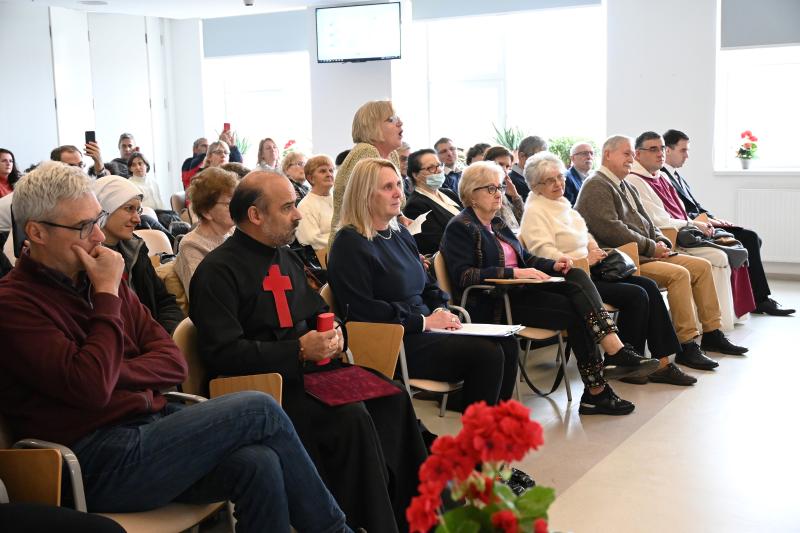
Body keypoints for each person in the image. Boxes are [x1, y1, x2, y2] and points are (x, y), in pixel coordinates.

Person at [0, 161, 350, 532]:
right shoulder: (16, 304)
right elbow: (90, 384)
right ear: (36, 232)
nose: (98, 237)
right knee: (259, 408)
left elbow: (171, 362)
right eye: (83, 226)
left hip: (151, 428)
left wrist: (115, 373)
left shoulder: (101, 279)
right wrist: (105, 297)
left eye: (96, 220)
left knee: (259, 463)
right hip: (90, 460)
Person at [189, 170, 427, 533]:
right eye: (287, 207)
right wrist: (297, 351)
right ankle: (367, 523)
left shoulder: (284, 257)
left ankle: (414, 516)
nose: (298, 214)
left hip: (311, 371)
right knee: (350, 419)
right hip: (265, 388)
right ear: (256, 216)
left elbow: (317, 310)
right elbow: (223, 353)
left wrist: (335, 333)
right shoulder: (216, 271)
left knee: (390, 395)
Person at [440, 161, 657, 415]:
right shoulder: (461, 227)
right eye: (490, 188)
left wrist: (555, 264)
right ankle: (600, 383)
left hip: (522, 294)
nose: (499, 192)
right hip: (497, 303)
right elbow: (464, 276)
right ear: (471, 193)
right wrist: (514, 273)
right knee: (580, 310)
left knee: (574, 273)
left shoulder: (497, 224)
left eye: (499, 186)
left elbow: (527, 259)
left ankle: (609, 362)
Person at [328, 158, 520, 411]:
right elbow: (362, 311)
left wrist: (441, 308)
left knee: (508, 343)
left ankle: (494, 422)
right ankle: (480, 436)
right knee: (487, 353)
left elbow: (428, 285)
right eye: (388, 187)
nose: (399, 192)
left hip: (426, 328)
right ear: (364, 194)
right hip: (394, 339)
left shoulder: (399, 233)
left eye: (398, 183)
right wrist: (424, 322)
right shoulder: (350, 243)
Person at [519, 152, 693, 386]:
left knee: (647, 286)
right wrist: (584, 258)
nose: (559, 183)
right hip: (569, 279)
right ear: (534, 185)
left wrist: (593, 248)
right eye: (550, 181)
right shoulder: (535, 211)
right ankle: (627, 363)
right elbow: (543, 253)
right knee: (635, 294)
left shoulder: (560, 203)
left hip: (591, 269)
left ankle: (658, 362)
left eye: (560, 177)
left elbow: (584, 233)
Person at [574, 135, 748, 365]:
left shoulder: (621, 182)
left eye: (631, 154)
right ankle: (687, 344)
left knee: (702, 266)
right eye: (626, 153)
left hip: (644, 251)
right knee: (680, 274)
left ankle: (712, 333)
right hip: (625, 258)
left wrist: (661, 240)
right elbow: (611, 230)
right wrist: (651, 247)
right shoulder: (596, 184)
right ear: (607, 154)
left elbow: (647, 221)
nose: (631, 158)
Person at [626, 132, 755, 331]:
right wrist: (693, 224)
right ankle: (708, 326)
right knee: (718, 255)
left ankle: (722, 322)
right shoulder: (634, 180)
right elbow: (657, 220)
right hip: (671, 238)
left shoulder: (661, 177)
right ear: (638, 154)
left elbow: (682, 209)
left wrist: (700, 222)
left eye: (661, 148)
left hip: (683, 230)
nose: (660, 153)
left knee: (732, 244)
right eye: (653, 149)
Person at [663, 128, 795, 316]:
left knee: (753, 239)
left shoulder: (676, 175)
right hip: (691, 228)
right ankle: (760, 300)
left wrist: (713, 218)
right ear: (668, 150)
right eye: (683, 150)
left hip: (703, 222)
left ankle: (753, 297)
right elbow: (678, 211)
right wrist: (706, 221)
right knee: (750, 238)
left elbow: (696, 205)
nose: (687, 156)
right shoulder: (662, 176)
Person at [92, 175, 184, 335]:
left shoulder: (135, 246)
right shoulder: (89, 259)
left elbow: (164, 301)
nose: (137, 219)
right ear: (105, 209)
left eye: (138, 210)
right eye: (129, 209)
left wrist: (167, 336)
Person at [329, 100, 404, 249]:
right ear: (372, 127)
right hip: (356, 242)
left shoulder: (392, 155)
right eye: (391, 119)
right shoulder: (367, 151)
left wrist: (400, 217)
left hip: (379, 236)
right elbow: (363, 208)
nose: (400, 123)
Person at [173, 167, 238, 290]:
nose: (237, 207)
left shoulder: (234, 232)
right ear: (206, 211)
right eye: (228, 204)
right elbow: (202, 294)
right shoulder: (191, 245)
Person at [402, 148, 462, 255]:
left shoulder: (448, 193)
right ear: (415, 175)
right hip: (454, 258)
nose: (438, 170)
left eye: (439, 165)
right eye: (431, 168)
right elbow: (434, 244)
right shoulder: (415, 205)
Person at [296, 155, 335, 251]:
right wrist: (343, 241)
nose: (329, 174)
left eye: (331, 170)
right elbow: (311, 240)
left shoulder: (338, 200)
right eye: (323, 171)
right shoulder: (305, 206)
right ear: (311, 178)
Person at [482, 146, 524, 231]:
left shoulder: (502, 188)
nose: (504, 170)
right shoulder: (482, 191)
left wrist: (515, 196)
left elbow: (522, 222)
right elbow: (498, 228)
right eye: (500, 164)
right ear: (487, 163)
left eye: (507, 166)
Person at [509, 136, 548, 201]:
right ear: (521, 156)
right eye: (538, 158)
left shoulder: (537, 177)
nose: (542, 162)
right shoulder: (512, 182)